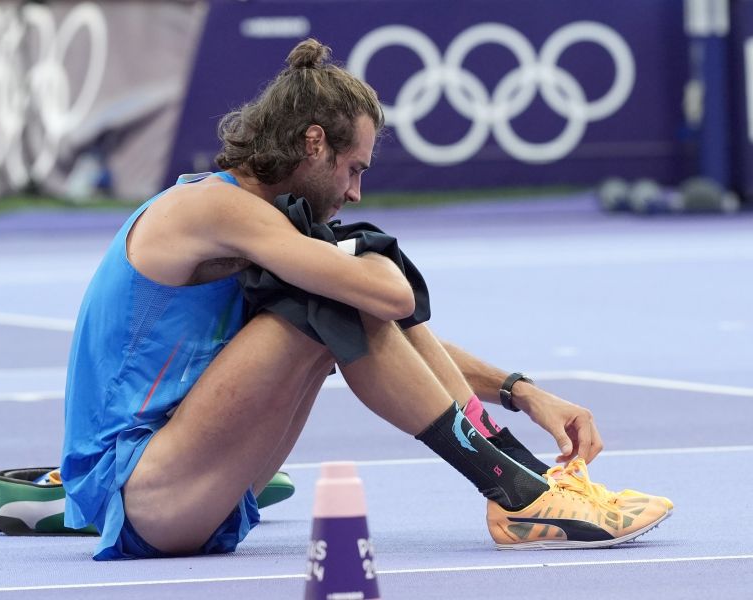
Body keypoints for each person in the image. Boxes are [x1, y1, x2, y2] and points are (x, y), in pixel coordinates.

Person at [61, 38, 672, 560]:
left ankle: (529, 482)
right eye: (353, 168)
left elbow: (391, 320)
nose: (355, 191)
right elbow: (390, 293)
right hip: (140, 489)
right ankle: (514, 493)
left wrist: (520, 390)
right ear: (313, 142)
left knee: (339, 292)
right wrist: (364, 256)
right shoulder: (213, 207)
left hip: (194, 487)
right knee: (336, 298)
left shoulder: (269, 223)